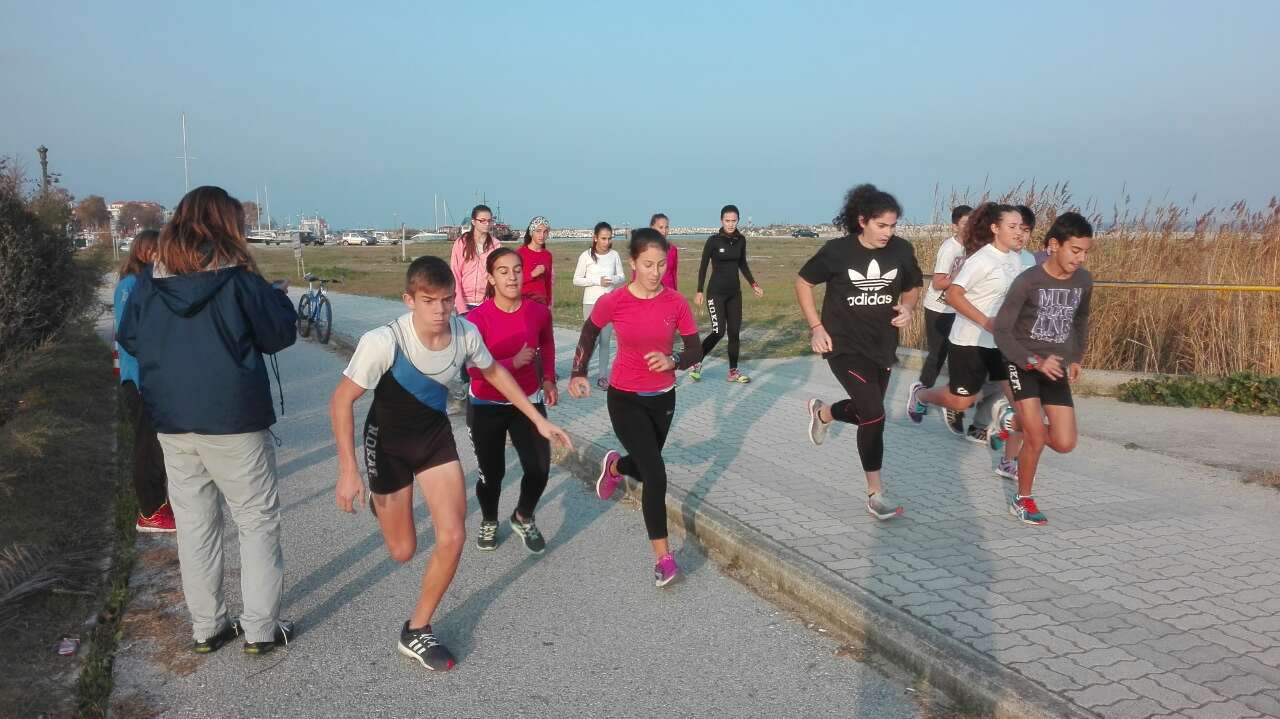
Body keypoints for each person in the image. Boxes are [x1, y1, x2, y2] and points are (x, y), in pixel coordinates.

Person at [329, 256, 571, 671]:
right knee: (403, 551)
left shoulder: (464, 332)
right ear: (409, 300)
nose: (440, 310)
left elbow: (494, 373)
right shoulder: (384, 341)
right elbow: (340, 401)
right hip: (386, 446)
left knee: (454, 535)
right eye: (428, 301)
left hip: (434, 441)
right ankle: (382, 501)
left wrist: (537, 420)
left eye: (446, 300)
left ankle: (417, 629)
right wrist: (349, 470)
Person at [117, 186, 298, 656]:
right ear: (226, 224)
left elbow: (130, 338)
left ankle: (207, 627)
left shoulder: (150, 280)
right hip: (233, 417)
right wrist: (277, 298)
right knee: (255, 520)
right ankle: (260, 629)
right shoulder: (239, 278)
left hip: (172, 417)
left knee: (196, 524)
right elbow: (278, 335)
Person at [568, 228, 702, 587]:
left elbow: (695, 349)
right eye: (647, 264)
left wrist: (674, 360)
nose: (655, 272)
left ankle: (615, 467)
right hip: (624, 397)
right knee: (656, 474)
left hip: (664, 398)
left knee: (646, 465)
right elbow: (589, 332)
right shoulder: (615, 300)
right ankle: (664, 559)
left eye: (661, 265)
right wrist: (578, 372)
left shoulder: (676, 302)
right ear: (632, 263)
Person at [797, 184, 923, 520]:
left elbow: (912, 286)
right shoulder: (837, 251)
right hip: (843, 345)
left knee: (869, 411)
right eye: (881, 225)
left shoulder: (901, 250)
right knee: (875, 414)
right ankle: (875, 494)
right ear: (863, 220)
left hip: (882, 346)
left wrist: (908, 307)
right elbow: (803, 282)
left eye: (893, 225)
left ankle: (824, 413)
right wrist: (816, 326)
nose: (888, 233)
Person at [908, 203, 1025, 480]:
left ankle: (1009, 461)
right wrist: (986, 321)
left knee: (1022, 403)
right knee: (961, 402)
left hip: (1002, 344)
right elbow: (953, 295)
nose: (1019, 232)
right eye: (1012, 226)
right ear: (995, 228)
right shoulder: (981, 259)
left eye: (1021, 227)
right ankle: (921, 395)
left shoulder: (1016, 260)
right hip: (970, 341)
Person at [993, 212, 1094, 525]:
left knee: (1065, 442)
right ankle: (1022, 499)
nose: (1080, 258)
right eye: (1075, 250)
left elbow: (1080, 320)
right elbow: (1001, 332)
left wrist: (1075, 357)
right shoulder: (1028, 281)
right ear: (1054, 245)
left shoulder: (1083, 281)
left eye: (1085, 252)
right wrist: (1034, 361)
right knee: (1036, 437)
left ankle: (1013, 421)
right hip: (1022, 363)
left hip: (1055, 368)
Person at [465, 248, 558, 553]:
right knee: (492, 475)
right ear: (491, 278)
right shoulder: (476, 319)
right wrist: (512, 363)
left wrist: (548, 378)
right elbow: (471, 369)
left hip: (528, 401)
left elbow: (547, 341)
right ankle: (489, 519)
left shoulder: (538, 311)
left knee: (539, 468)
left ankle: (523, 516)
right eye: (503, 271)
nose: (512, 276)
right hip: (486, 405)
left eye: (517, 269)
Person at [115, 230, 175, 534]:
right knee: (147, 446)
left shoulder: (146, 283)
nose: (160, 256)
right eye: (156, 250)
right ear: (143, 251)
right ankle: (150, 511)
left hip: (153, 376)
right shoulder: (131, 285)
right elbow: (129, 334)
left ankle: (161, 504)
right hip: (139, 378)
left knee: (158, 444)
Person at [690, 204, 762, 383]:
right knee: (718, 331)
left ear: (738, 220)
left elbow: (743, 264)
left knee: (734, 333)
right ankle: (696, 360)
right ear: (721, 220)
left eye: (733, 221)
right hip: (716, 293)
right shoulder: (713, 241)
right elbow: (703, 266)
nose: (730, 224)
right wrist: (699, 290)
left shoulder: (741, 240)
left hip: (734, 294)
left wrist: (753, 284)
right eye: (727, 220)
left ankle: (733, 371)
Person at [920, 206, 972, 436]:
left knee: (960, 358)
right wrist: (962, 279)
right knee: (937, 355)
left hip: (960, 309)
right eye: (965, 223)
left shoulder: (975, 248)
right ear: (954, 226)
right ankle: (920, 396)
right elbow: (938, 282)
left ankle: (954, 405)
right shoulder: (950, 248)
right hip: (939, 308)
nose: (969, 228)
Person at [572, 222, 626, 389]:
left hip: (609, 304)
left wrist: (613, 280)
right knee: (590, 341)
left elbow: (622, 276)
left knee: (605, 341)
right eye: (603, 238)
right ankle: (581, 373)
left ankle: (602, 376)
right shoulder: (586, 256)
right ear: (595, 238)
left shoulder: (614, 255)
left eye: (609, 238)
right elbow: (576, 279)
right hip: (591, 303)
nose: (606, 242)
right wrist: (597, 281)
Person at [449, 204, 502, 315]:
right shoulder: (461, 242)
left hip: (486, 304)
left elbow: (497, 276)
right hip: (464, 303)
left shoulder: (496, 245)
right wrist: (460, 306)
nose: (487, 224)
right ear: (473, 222)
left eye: (489, 221)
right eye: (482, 220)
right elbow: (455, 274)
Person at [517, 216, 553, 305]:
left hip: (542, 302)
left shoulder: (547, 255)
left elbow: (548, 281)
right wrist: (532, 274)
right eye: (538, 231)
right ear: (531, 232)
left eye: (545, 232)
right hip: (523, 301)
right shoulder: (519, 253)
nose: (542, 235)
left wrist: (548, 302)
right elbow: (514, 279)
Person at [650, 212, 678, 290]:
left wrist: (675, 293)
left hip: (669, 292)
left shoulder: (673, 249)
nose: (664, 231)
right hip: (651, 293)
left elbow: (674, 275)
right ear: (652, 228)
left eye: (666, 227)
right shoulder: (644, 249)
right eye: (661, 227)